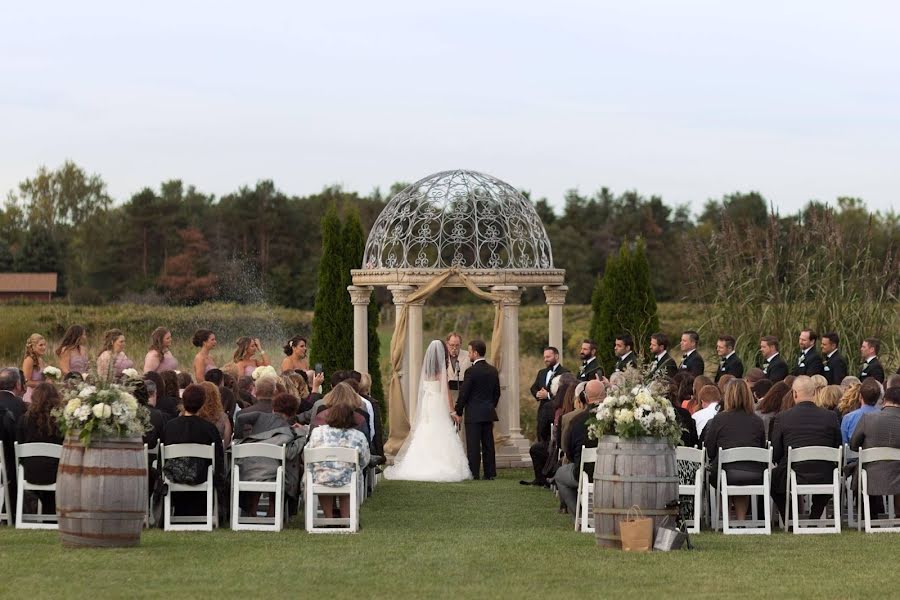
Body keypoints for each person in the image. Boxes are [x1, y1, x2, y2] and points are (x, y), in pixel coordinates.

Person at [385, 340, 472, 482]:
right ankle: (440, 464)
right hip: (437, 403)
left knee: (426, 430)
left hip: (428, 403)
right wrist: (452, 411)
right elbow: (445, 393)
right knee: (440, 430)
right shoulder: (441, 372)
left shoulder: (425, 371)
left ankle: (418, 465)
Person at [769, 376, 842, 521]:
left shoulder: (782, 418)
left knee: (773, 480)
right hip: (824, 474)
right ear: (815, 393)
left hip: (792, 473)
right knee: (828, 470)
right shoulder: (831, 416)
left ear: (794, 394)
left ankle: (789, 518)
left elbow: (776, 453)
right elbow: (837, 446)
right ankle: (815, 515)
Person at [304, 382, 371, 520]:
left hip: (320, 477)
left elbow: (307, 455)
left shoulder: (318, 432)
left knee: (323, 474)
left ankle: (329, 518)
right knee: (350, 475)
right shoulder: (357, 436)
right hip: (347, 478)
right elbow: (365, 459)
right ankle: (346, 518)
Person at [234, 392, 306, 517]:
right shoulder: (289, 432)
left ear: (273, 409)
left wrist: (239, 437)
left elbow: (240, 418)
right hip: (273, 473)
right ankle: (273, 511)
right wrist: (302, 434)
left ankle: (252, 510)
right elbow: (290, 454)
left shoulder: (259, 416)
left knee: (260, 466)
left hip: (247, 470)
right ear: (293, 414)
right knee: (283, 469)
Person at [703, 379, 767, 520]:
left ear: (727, 396)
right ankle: (741, 519)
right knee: (739, 471)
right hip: (754, 474)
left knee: (722, 471)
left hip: (725, 473)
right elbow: (762, 449)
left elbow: (710, 450)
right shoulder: (757, 421)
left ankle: (726, 519)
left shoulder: (719, 420)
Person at [161, 384, 225, 517]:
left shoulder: (170, 427)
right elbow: (218, 458)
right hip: (201, 477)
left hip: (175, 475)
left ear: (183, 402)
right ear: (202, 403)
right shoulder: (209, 428)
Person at [554, 379, 606, 520]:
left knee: (560, 474)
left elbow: (568, 450)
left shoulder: (576, 421)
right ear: (606, 395)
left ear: (586, 398)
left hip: (584, 473)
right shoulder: (615, 418)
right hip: (611, 472)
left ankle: (581, 516)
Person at [849, 387, 900, 515]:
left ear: (883, 400)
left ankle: (869, 515)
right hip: (897, 475)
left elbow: (854, 445)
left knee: (862, 467)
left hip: (871, 475)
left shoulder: (868, 418)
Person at [455, 339, 501, 480]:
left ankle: (474, 473)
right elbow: (497, 393)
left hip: (474, 414)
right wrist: (490, 405)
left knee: (473, 445)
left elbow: (464, 393)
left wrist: (458, 410)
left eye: (469, 352)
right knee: (488, 445)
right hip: (488, 412)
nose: (468, 355)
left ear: (475, 352)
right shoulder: (493, 370)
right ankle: (490, 473)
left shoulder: (471, 371)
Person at [15, 383, 63, 515]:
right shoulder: (61, 421)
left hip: (30, 472)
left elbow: (20, 446)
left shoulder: (23, 420)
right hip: (57, 474)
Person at [525, 347, 568, 486]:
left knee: (552, 446)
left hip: (556, 415)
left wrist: (548, 395)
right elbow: (534, 387)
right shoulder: (542, 372)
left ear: (556, 356)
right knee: (541, 443)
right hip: (542, 413)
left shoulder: (565, 373)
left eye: (548, 357)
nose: (545, 359)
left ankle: (551, 476)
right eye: (544, 357)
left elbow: (565, 393)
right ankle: (540, 477)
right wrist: (537, 394)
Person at [841, 379, 881, 445]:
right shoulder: (884, 417)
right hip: (877, 454)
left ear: (860, 397)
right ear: (878, 398)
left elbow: (845, 444)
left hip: (853, 453)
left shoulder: (848, 418)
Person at [198, 381, 233, 447]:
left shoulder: (191, 416)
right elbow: (226, 443)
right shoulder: (223, 418)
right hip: (216, 454)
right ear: (216, 396)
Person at [21, 334, 48, 403]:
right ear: (32, 347)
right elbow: (26, 382)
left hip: (41, 394)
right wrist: (43, 384)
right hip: (31, 396)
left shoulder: (40, 359)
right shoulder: (29, 360)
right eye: (41, 345)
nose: (44, 347)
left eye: (44, 345)